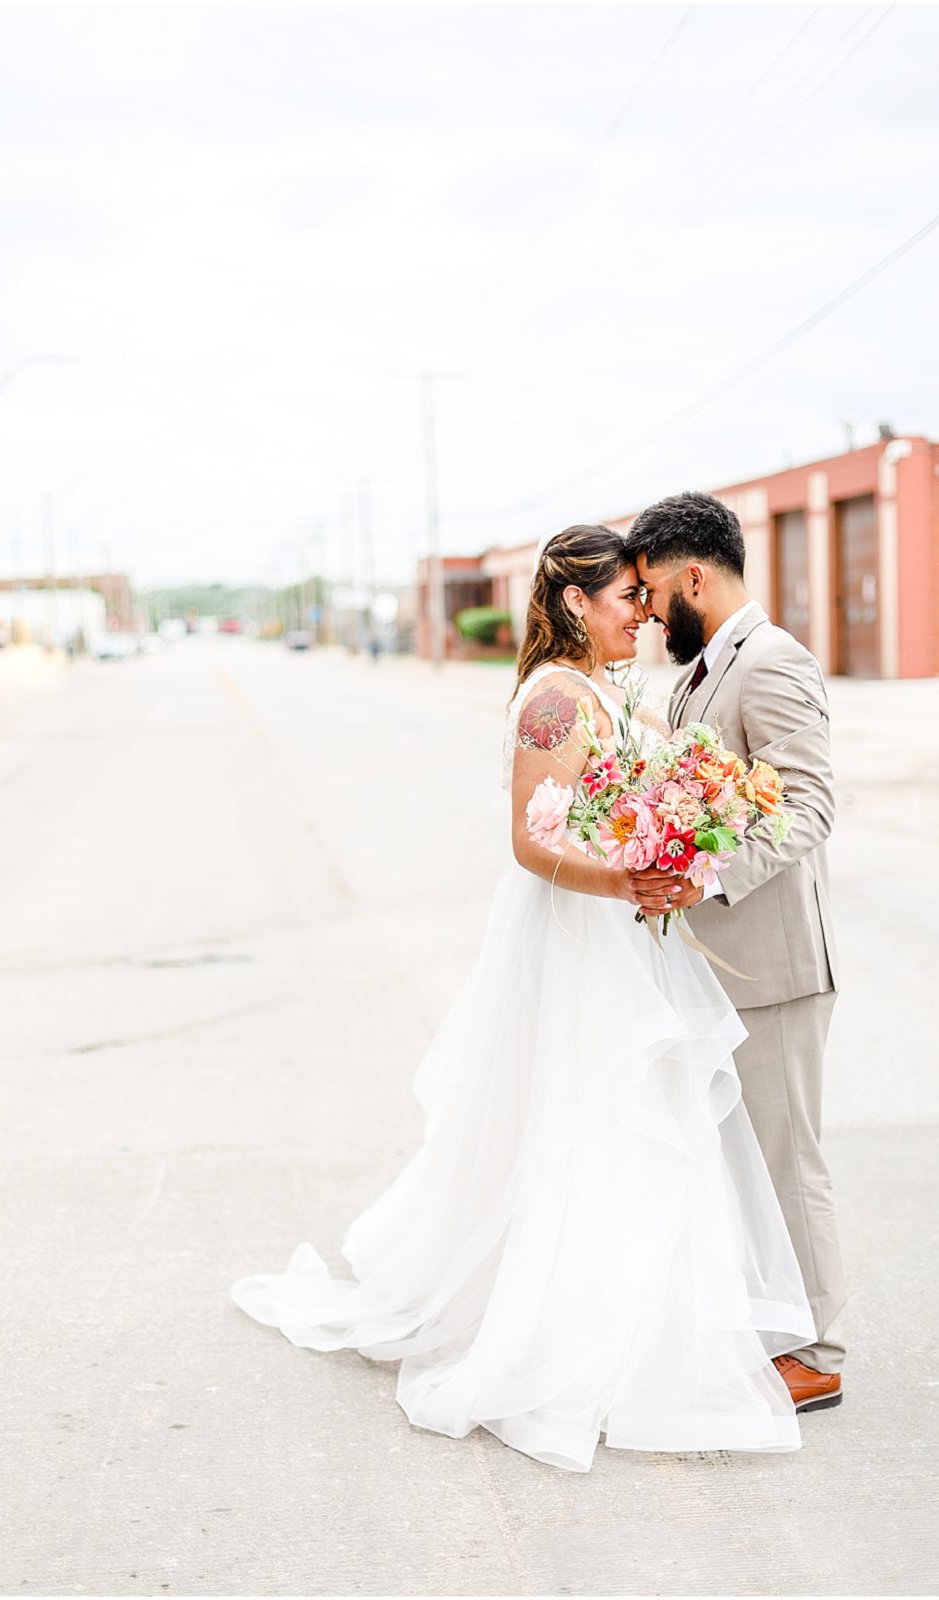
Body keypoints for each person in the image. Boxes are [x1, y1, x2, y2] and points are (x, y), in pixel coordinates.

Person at [230, 523, 816, 1472]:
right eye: (629, 596)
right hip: (585, 945)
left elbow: (641, 800)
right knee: (591, 1122)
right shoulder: (554, 700)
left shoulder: (607, 691)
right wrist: (628, 882)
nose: (647, 612)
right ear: (578, 602)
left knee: (640, 1126)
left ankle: (635, 1320)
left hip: (626, 942)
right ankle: (569, 1333)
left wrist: (681, 840)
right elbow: (531, 844)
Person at [630, 491, 846, 1413]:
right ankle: (763, 1323)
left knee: (786, 1156)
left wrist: (706, 880)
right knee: (735, 1160)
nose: (642, 612)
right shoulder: (691, 675)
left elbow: (807, 807)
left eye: (647, 593)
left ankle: (819, 1350)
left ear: (692, 576)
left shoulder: (773, 663)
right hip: (710, 967)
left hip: (773, 962)